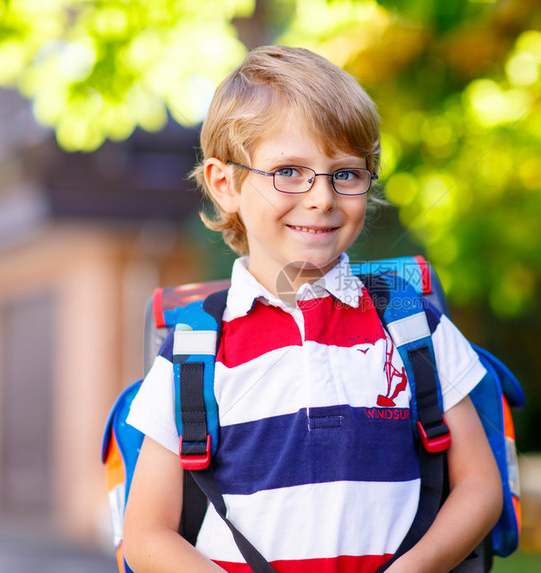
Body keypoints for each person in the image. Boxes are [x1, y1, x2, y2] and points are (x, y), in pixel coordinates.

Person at [122, 45, 502, 573]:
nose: (322, 197)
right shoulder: (193, 353)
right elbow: (144, 535)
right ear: (224, 183)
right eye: (289, 171)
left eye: (345, 173)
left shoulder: (413, 327)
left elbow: (481, 487)